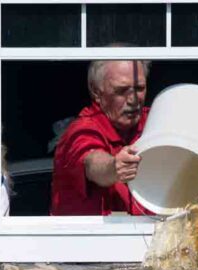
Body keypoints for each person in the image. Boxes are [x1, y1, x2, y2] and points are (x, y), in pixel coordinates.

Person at [50, 59, 152, 216]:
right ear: (96, 92)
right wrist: (114, 167)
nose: (133, 100)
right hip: (88, 239)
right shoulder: (81, 129)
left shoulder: (154, 120)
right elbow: (92, 162)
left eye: (139, 88)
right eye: (121, 90)